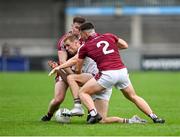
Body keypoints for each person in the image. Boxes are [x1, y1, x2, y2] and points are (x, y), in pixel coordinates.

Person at [50, 22, 165, 124]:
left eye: (81, 35)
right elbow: (125, 45)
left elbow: (78, 70)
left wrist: (62, 68)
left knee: (82, 92)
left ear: (85, 34)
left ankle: (92, 113)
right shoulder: (109, 36)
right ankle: (154, 117)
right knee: (133, 96)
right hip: (122, 72)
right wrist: (111, 49)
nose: (81, 37)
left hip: (107, 75)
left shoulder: (85, 47)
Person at [41, 16, 86, 121]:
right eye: (76, 27)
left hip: (82, 70)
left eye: (80, 28)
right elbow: (62, 62)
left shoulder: (86, 40)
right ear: (72, 26)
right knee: (58, 99)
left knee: (90, 93)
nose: (78, 30)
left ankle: (92, 114)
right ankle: (48, 115)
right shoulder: (64, 41)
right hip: (64, 70)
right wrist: (73, 77)